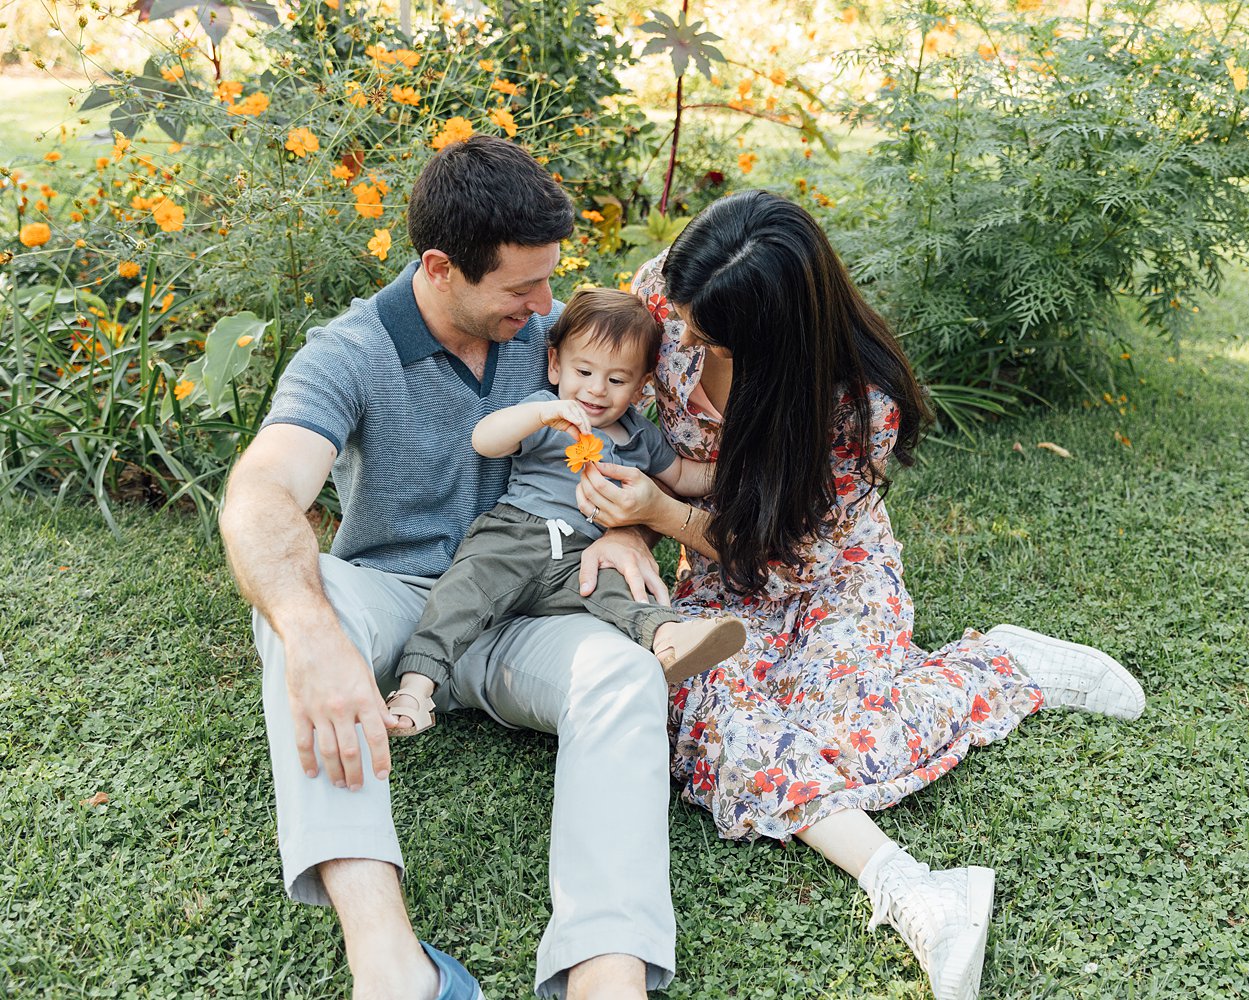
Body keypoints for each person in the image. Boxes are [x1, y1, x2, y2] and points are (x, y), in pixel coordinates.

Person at [576, 190, 1146, 1000]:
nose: (686, 333)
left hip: (830, 569)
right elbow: (596, 395)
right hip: (715, 580)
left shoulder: (852, 401)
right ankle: (917, 890)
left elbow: (792, 559)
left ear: (776, 340)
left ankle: (998, 667)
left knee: (839, 716)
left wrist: (662, 513)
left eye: (709, 331)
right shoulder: (668, 293)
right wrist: (624, 525)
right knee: (718, 716)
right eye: (686, 313)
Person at [219, 137, 677, 1000]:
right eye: (521, 287)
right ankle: (392, 965)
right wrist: (314, 633)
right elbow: (261, 490)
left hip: (532, 608)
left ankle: (606, 972)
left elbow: (620, 456)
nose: (544, 305)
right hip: (396, 604)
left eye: (549, 280)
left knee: (625, 674)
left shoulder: (552, 342)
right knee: (298, 605)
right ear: (439, 267)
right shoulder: (349, 353)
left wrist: (632, 532)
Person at [385, 288, 746, 736]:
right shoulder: (546, 414)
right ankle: (415, 688)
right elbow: (485, 439)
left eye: (617, 380)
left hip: (588, 554)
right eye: (583, 371)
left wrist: (744, 473)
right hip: (516, 535)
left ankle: (669, 637)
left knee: (625, 590)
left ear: (641, 386)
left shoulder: (642, 437)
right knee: (463, 595)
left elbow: (684, 478)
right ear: (555, 364)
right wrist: (540, 414)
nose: (595, 389)